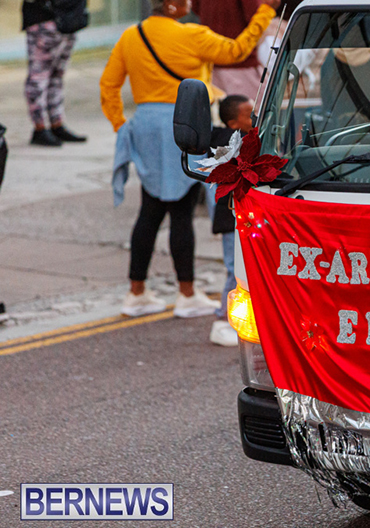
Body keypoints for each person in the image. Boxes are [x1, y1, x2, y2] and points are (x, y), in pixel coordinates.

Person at [99, 0, 277, 318]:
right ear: (171, 5)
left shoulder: (130, 36)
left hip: (145, 125)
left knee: (150, 209)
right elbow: (237, 51)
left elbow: (108, 85)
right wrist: (264, 12)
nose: (191, 3)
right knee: (182, 209)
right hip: (184, 124)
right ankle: (187, 294)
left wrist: (120, 125)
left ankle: (136, 293)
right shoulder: (193, 35)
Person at [208, 95, 253, 346]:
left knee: (240, 268)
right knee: (234, 270)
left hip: (241, 218)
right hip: (231, 218)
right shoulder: (233, 143)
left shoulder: (239, 138)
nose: (254, 118)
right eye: (249, 115)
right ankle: (224, 320)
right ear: (234, 124)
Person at [23, 0, 88, 147]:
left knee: (57, 77)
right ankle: (40, 127)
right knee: (38, 77)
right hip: (44, 20)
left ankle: (56, 124)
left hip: (69, 21)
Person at [194, 0, 282, 99]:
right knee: (255, 106)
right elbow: (255, 14)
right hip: (242, 66)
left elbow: (195, 8)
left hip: (213, 64)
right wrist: (268, 9)